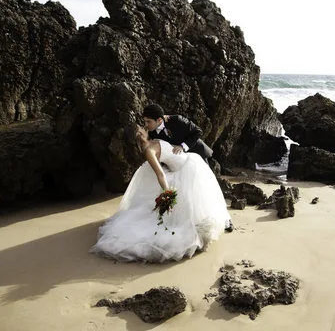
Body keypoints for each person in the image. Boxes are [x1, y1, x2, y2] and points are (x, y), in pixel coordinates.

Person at [89, 124, 232, 263]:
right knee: (187, 210)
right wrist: (168, 192)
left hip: (187, 164)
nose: (144, 127)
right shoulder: (148, 151)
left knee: (198, 204)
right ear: (139, 135)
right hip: (184, 171)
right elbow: (160, 174)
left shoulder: (152, 138)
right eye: (140, 127)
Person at [142, 103, 213, 164]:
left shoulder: (177, 120)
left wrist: (182, 146)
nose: (146, 125)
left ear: (159, 120)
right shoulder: (151, 133)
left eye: (149, 121)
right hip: (179, 162)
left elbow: (198, 132)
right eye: (145, 121)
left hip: (197, 153)